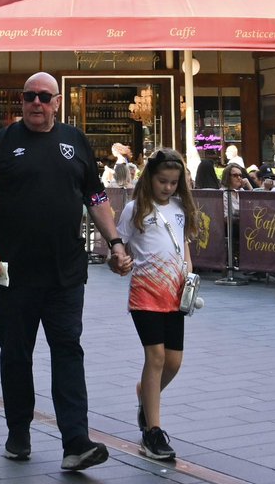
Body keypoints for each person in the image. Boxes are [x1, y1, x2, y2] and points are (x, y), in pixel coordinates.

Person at [0, 72, 130, 472]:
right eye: (29, 96)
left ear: (58, 102)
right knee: (16, 354)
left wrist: (115, 243)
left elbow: (96, 198)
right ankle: (18, 430)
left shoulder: (75, 142)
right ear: (21, 101)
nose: (36, 103)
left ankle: (76, 442)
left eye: (44, 97)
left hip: (65, 273)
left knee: (68, 351)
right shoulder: (1, 145)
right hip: (11, 273)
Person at [116, 148, 196, 464]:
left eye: (173, 183)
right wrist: (118, 260)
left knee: (174, 362)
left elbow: (184, 245)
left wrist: (189, 273)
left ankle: (144, 396)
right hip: (146, 293)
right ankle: (154, 430)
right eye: (163, 181)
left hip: (175, 295)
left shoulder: (180, 209)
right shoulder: (135, 210)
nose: (167, 188)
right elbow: (118, 244)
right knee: (157, 356)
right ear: (150, 178)